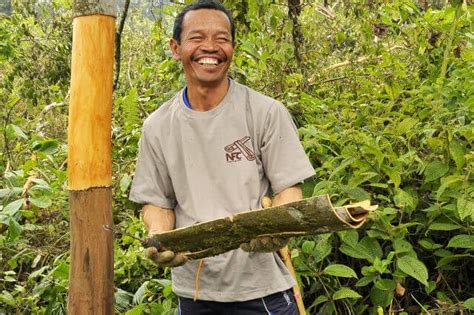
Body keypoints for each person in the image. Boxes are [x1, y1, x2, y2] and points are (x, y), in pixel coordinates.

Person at [129, 0, 315, 313]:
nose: (210, 48)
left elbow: (288, 190)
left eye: (222, 39)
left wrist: (275, 227)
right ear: (176, 48)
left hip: (262, 291)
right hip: (194, 294)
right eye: (196, 38)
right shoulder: (158, 126)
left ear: (232, 47)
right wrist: (159, 236)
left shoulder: (265, 112)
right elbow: (157, 202)